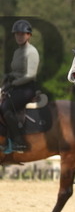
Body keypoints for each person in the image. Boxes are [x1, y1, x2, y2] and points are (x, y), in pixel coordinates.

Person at [1, 19, 40, 152]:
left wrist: (12, 83)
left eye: (22, 34)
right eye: (17, 34)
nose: (19, 36)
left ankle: (19, 142)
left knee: (5, 107)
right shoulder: (17, 52)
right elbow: (17, 72)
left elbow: (30, 75)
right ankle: (6, 139)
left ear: (29, 35)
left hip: (27, 88)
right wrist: (8, 76)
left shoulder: (32, 52)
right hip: (16, 86)